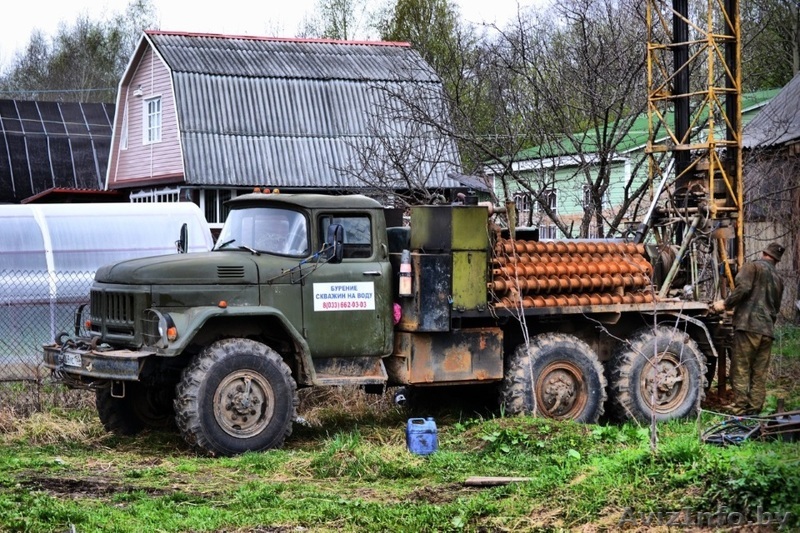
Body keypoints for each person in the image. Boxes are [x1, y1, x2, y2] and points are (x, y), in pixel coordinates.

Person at [711, 242, 785, 415]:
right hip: (767, 331)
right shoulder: (779, 279)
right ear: (777, 260)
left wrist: (725, 303)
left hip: (748, 326)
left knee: (741, 367)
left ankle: (739, 407)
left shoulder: (752, 267)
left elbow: (743, 288)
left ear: (764, 253)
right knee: (759, 372)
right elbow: (776, 307)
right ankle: (755, 408)